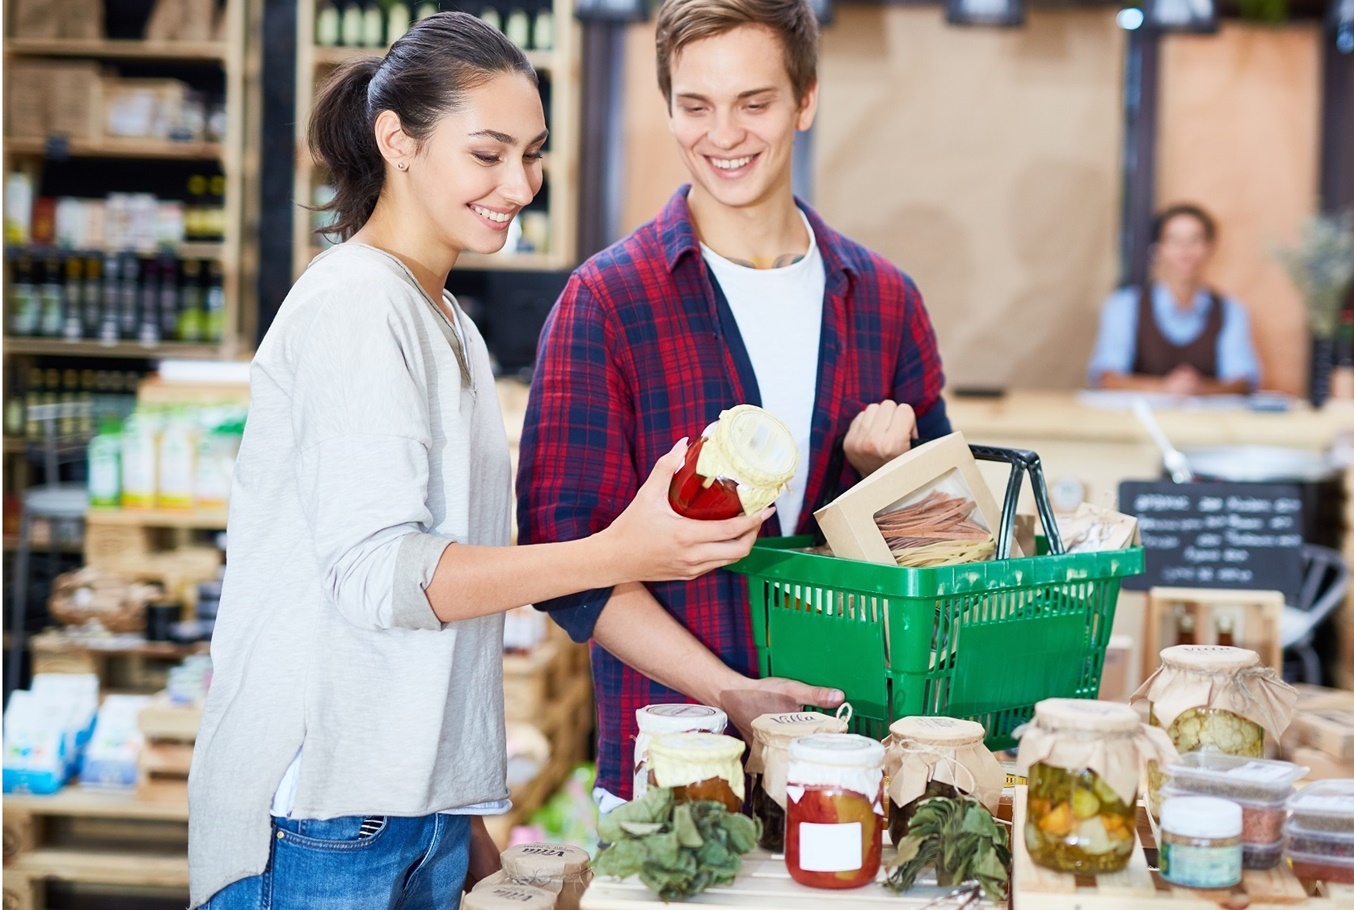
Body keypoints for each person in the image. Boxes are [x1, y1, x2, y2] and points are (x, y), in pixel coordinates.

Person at [188, 14, 773, 909]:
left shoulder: (444, 320)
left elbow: (447, 606)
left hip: (406, 815)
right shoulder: (354, 307)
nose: (520, 184)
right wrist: (626, 550)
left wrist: (464, 824)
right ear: (398, 142)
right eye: (489, 153)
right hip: (317, 821)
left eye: (532, 156)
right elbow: (382, 577)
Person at [516, 0, 951, 809]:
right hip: (675, 774)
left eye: (753, 103)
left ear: (805, 100)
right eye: (696, 106)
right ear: (669, 107)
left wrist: (878, 480)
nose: (724, 135)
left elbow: (945, 544)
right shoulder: (606, 301)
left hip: (861, 760)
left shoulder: (886, 301)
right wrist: (728, 692)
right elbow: (563, 558)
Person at [1087, 204, 1262, 396]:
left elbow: (1243, 382)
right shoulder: (1124, 306)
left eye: (1195, 240)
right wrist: (1164, 389)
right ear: (1158, 249)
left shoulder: (1231, 311)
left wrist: (1199, 390)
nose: (1185, 250)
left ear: (1209, 248)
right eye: (1174, 240)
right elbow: (1106, 378)